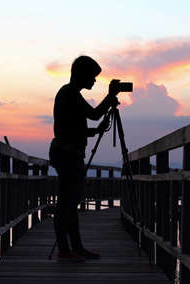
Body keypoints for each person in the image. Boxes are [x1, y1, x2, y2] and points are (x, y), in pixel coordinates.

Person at [49, 55, 119, 262]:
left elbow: (70, 126)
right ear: (82, 74)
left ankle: (75, 248)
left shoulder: (69, 93)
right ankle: (65, 250)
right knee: (67, 203)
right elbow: (94, 114)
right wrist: (109, 97)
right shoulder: (69, 93)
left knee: (72, 201)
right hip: (67, 153)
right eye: (92, 76)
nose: (95, 81)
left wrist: (93, 132)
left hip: (68, 152)